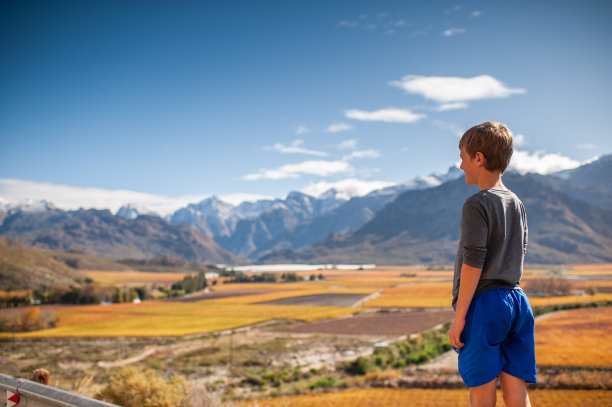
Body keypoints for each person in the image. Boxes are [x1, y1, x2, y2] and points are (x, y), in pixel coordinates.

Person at [448, 121, 536, 407]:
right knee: (517, 393)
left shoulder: (476, 204)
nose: (461, 165)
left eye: (463, 158)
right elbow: (519, 252)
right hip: (517, 302)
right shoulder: (517, 203)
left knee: (481, 393)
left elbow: (473, 263)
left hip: (485, 305)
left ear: (478, 158)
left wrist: (460, 316)